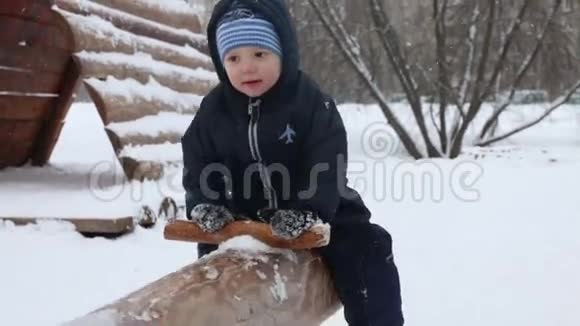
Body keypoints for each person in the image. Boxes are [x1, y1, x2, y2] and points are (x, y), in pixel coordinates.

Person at [181, 0, 404, 324]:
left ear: (283, 52)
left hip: (323, 214)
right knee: (215, 267)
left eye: (259, 54)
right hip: (247, 218)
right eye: (233, 57)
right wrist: (206, 204)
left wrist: (308, 208)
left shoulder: (309, 103)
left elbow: (326, 159)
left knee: (369, 247)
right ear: (220, 61)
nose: (247, 67)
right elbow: (198, 159)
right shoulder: (214, 111)